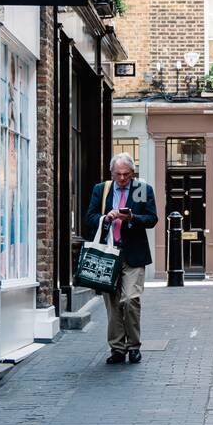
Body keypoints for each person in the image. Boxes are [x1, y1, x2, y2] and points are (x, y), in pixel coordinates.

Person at [86, 153, 158, 365]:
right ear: (112, 173)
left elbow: (152, 219)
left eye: (126, 174)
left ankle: (134, 346)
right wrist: (105, 217)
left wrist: (132, 218)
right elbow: (89, 217)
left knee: (130, 300)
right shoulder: (102, 190)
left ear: (133, 173)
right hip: (108, 253)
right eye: (118, 174)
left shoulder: (142, 190)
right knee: (113, 303)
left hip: (133, 254)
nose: (122, 178)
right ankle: (117, 348)